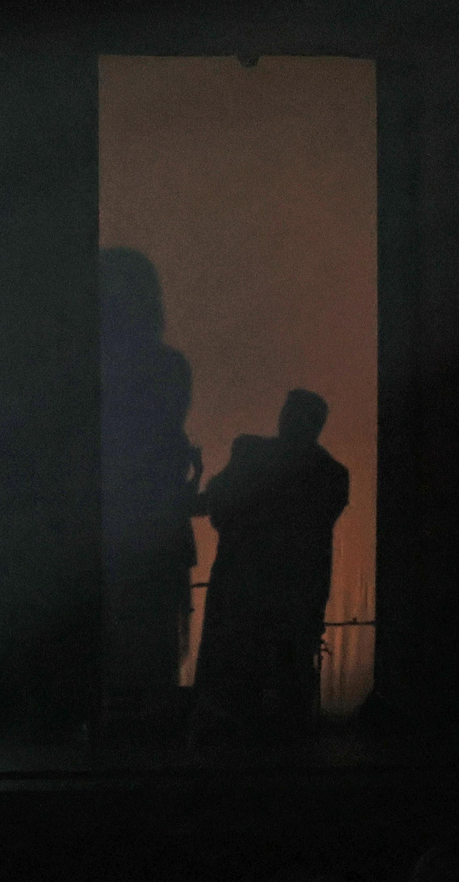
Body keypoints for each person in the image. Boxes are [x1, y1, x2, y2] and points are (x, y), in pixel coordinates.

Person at [191, 389, 349, 742]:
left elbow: (220, 505)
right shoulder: (333, 475)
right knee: (288, 688)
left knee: (232, 690)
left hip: (243, 592)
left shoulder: (251, 453)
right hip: (295, 597)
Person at [99, 248, 201, 722]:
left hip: (108, 530)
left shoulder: (90, 371)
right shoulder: (169, 368)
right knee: (153, 646)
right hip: (157, 530)